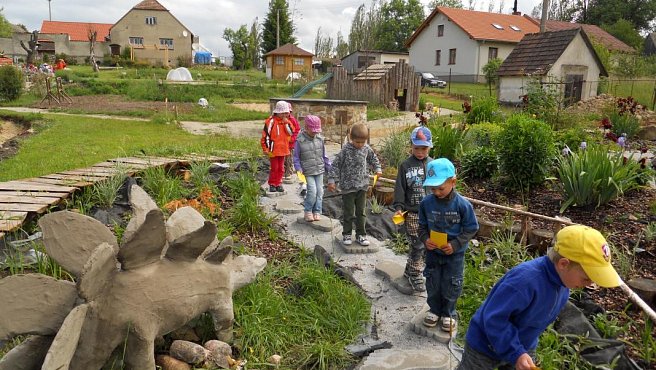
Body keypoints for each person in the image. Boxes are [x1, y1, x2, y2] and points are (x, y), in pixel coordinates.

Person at [457, 225, 621, 370]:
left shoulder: (563, 282)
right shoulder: (525, 282)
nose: (589, 284)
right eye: (586, 278)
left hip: (522, 344)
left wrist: (520, 352)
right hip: (485, 346)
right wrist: (516, 353)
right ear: (563, 264)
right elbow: (494, 319)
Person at [418, 158, 479, 331]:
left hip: (454, 255)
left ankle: (448, 313)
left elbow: (471, 228)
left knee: (451, 283)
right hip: (433, 253)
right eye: (432, 188)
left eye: (440, 188)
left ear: (453, 182)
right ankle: (435, 310)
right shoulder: (426, 204)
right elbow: (421, 226)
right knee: (433, 281)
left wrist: (456, 244)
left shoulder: (462, 205)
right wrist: (425, 240)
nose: (436, 192)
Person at [393, 126, 433, 292]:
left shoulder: (433, 165)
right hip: (413, 213)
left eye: (424, 148)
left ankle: (410, 270)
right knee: (417, 244)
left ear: (429, 147)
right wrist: (398, 207)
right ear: (411, 146)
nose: (420, 152)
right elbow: (400, 188)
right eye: (417, 148)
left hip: (430, 213)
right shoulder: (405, 165)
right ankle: (416, 274)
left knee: (425, 244)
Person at [327, 123, 382, 246]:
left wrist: (378, 169)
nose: (360, 145)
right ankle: (346, 234)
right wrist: (332, 181)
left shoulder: (367, 149)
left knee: (361, 212)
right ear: (351, 139)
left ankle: (361, 235)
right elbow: (335, 165)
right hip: (348, 188)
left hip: (362, 186)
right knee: (349, 212)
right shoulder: (345, 150)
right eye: (357, 142)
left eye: (363, 142)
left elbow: (374, 160)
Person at [293, 115, 331, 222]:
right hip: (308, 171)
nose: (315, 133)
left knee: (320, 191)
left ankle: (317, 211)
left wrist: (329, 168)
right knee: (312, 191)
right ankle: (308, 211)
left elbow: (325, 156)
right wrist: (298, 168)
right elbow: (296, 157)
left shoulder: (320, 139)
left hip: (319, 169)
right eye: (313, 130)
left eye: (316, 131)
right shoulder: (299, 141)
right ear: (306, 127)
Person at [261, 101, 294, 193]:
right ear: (278, 112)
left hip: (283, 149)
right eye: (283, 113)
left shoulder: (287, 122)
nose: (285, 115)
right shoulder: (271, 121)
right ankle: (272, 183)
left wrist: (286, 123)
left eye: (286, 113)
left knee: (281, 168)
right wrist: (265, 148)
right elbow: (266, 135)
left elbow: (290, 133)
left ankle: (279, 183)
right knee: (274, 167)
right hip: (272, 150)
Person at [284, 102, 301, 180]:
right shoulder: (279, 120)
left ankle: (289, 172)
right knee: (282, 159)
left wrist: (292, 139)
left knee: (289, 159)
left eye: (288, 112)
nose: (286, 114)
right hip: (281, 144)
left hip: (290, 144)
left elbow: (297, 130)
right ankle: (283, 172)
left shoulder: (292, 120)